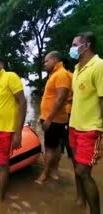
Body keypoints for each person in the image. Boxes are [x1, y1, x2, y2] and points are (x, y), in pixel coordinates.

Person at [68, 32, 103, 214]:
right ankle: (80, 200)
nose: (72, 48)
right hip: (74, 126)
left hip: (90, 129)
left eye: (75, 44)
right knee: (75, 166)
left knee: (83, 172)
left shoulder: (99, 66)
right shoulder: (77, 68)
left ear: (86, 45)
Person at [0, 55, 27, 200]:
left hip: (7, 130)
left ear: (2, 64)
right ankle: (3, 194)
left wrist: (18, 133)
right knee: (3, 164)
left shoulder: (10, 77)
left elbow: (22, 102)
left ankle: (1, 199)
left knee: (2, 165)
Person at [35, 51, 71, 184]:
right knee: (55, 147)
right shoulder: (55, 75)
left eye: (46, 61)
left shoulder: (61, 74)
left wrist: (48, 119)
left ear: (55, 60)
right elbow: (50, 98)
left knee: (49, 148)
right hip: (52, 118)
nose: (44, 64)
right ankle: (54, 171)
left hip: (54, 120)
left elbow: (61, 98)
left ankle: (45, 174)